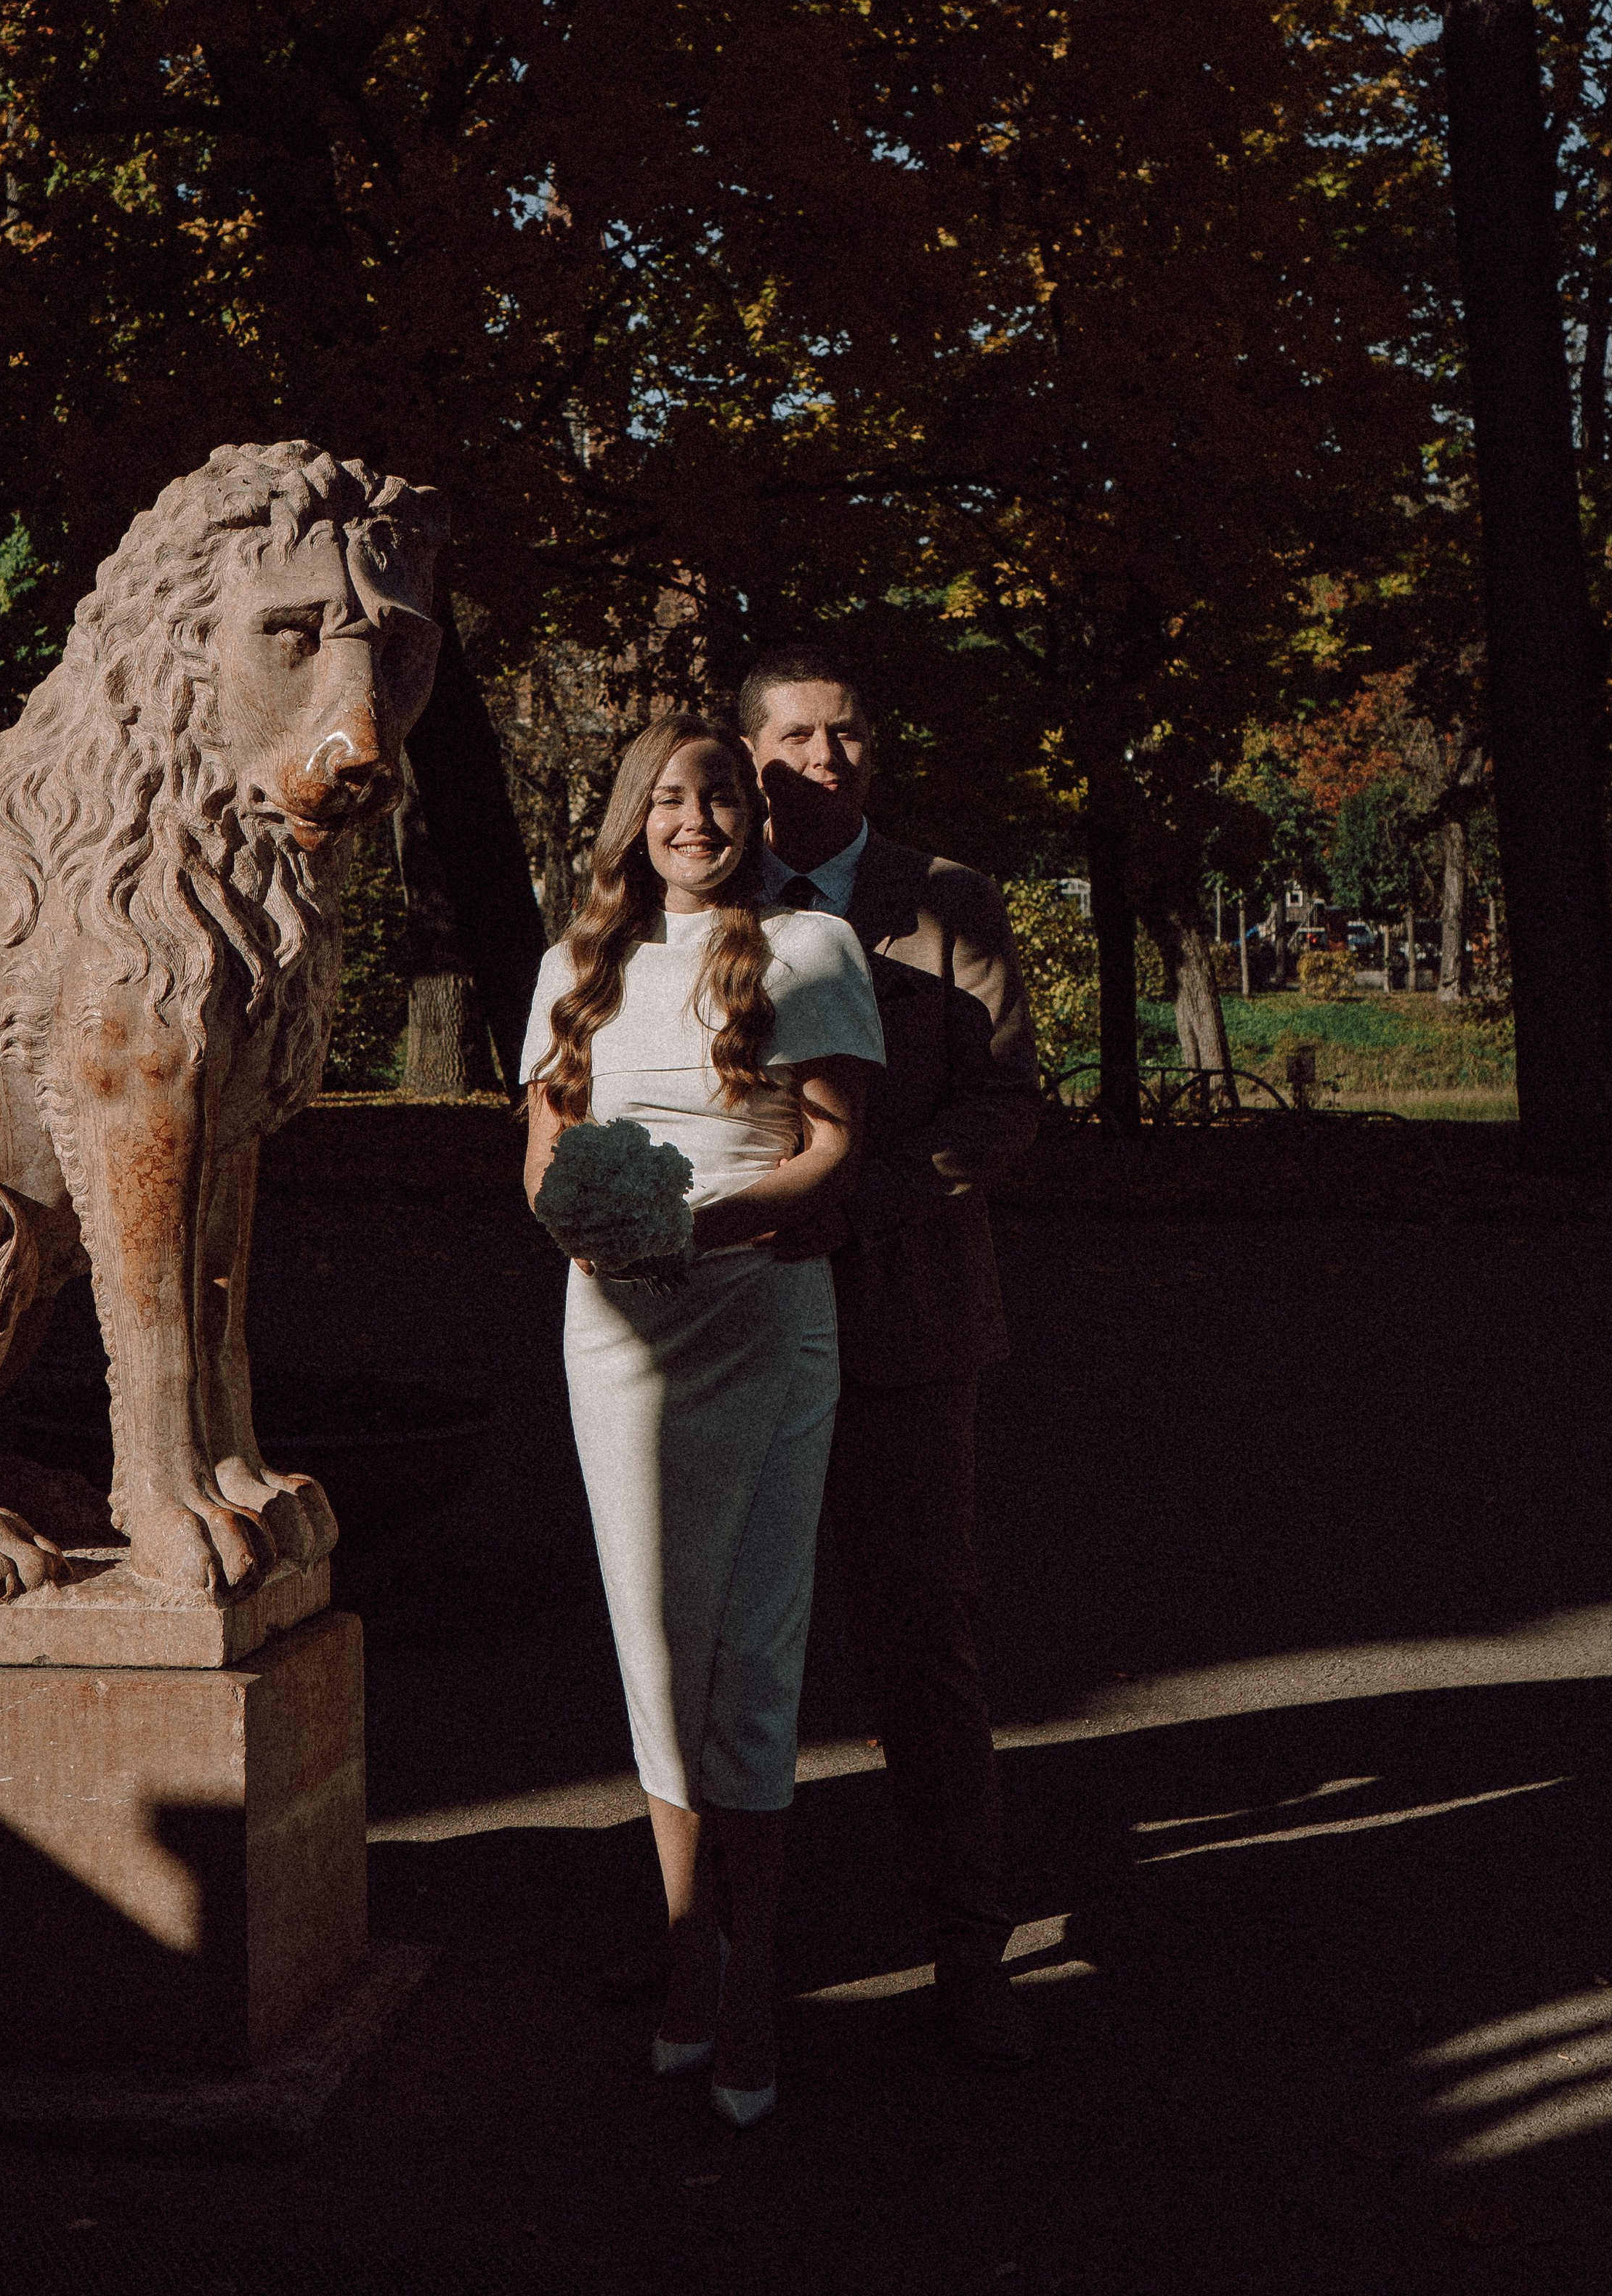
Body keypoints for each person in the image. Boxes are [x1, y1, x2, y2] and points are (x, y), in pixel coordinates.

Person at [521, 712, 883, 2127]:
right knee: (650, 1640)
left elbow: (834, 1151)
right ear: (630, 817)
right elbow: (544, 1151)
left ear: (753, 814)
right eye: (665, 798)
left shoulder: (810, 952)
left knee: (754, 1638)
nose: (691, 819)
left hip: (761, 1325)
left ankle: (754, 1981)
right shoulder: (575, 966)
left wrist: (696, 1220)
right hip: (615, 1337)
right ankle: (687, 1952)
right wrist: (586, 1221)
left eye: (717, 796)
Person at [735, 644, 1042, 2066]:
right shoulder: (694, 899)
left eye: (847, 734)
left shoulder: (944, 901)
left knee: (923, 1642)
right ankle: (713, 1944)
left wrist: (858, 1201)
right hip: (729, 1334)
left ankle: (966, 1948)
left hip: (903, 1328)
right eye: (796, 738)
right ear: (750, 757)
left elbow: (999, 1106)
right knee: (734, 1649)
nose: (826, 759)